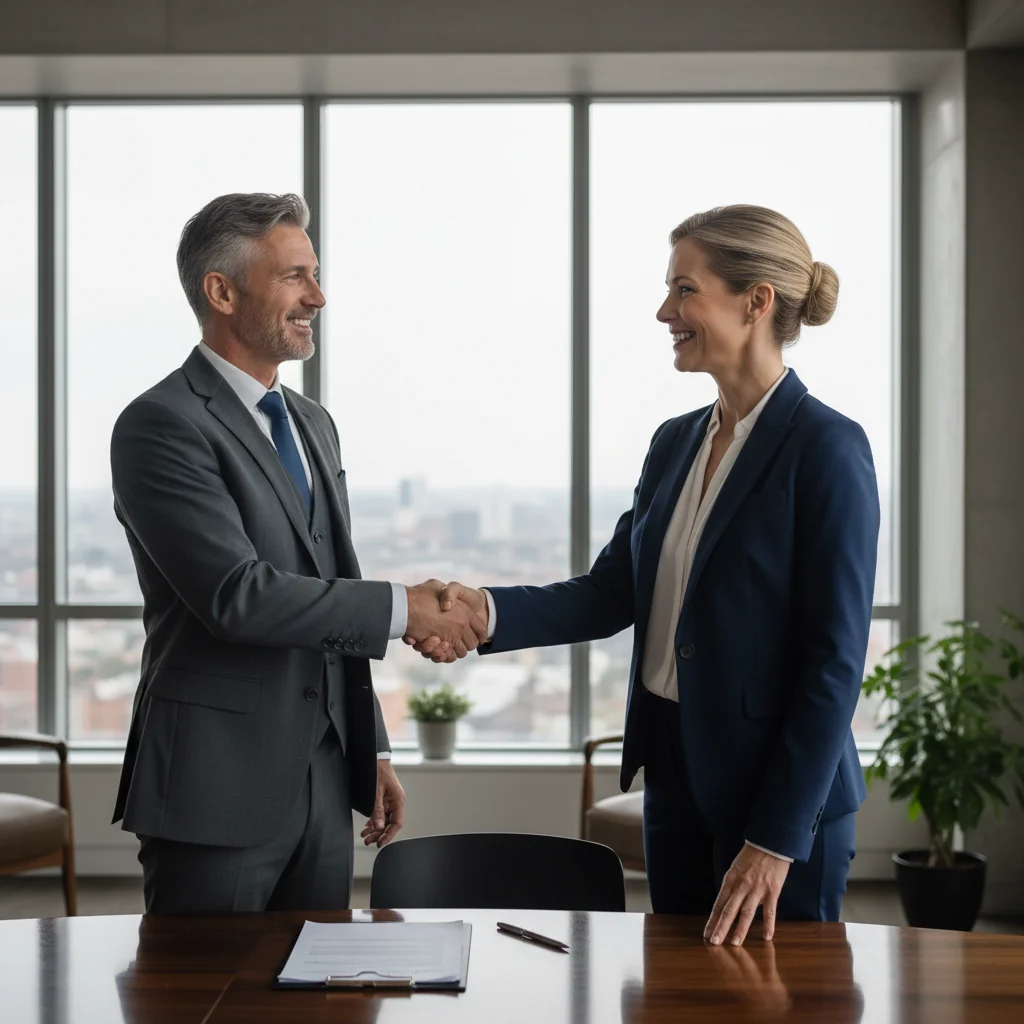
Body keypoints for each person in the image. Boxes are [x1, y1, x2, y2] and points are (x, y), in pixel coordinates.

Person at [411, 205, 879, 945]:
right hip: (674, 774)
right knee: (677, 995)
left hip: (777, 799)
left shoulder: (826, 448)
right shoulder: (675, 444)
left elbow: (834, 665)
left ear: (755, 301)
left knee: (775, 1001)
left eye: (685, 290)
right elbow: (612, 592)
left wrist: (776, 838)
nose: (666, 311)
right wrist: (483, 611)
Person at [110, 192, 486, 914]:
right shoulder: (161, 424)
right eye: (293, 277)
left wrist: (369, 746)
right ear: (221, 290)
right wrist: (406, 609)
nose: (318, 296)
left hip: (322, 777)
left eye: (314, 274)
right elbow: (237, 595)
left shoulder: (313, 422)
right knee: (203, 1000)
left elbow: (330, 584)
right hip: (215, 785)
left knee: (318, 994)